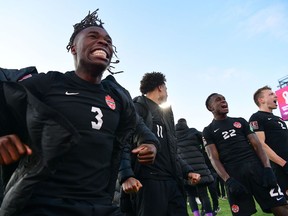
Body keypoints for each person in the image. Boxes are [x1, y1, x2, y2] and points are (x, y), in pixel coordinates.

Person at [0, 9, 159, 216]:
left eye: (108, 41)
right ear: (73, 48)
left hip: (100, 204)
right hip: (43, 204)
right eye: (93, 36)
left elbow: (139, 128)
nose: (103, 42)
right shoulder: (48, 84)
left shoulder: (118, 97)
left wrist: (150, 144)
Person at [119, 72, 201, 216]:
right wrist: (126, 175)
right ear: (160, 87)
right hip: (149, 182)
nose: (167, 93)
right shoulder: (137, 108)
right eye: (166, 88)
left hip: (173, 182)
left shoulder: (166, 115)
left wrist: (188, 171)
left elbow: (172, 152)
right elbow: (122, 141)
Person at [203, 93, 288, 216]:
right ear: (210, 107)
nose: (223, 101)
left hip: (258, 171)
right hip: (235, 176)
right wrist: (228, 180)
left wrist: (268, 169)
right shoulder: (208, 130)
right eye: (218, 100)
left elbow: (257, 145)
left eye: (224, 99)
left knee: (281, 206)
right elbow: (213, 158)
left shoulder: (240, 121)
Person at [249, 86, 288, 198]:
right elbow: (260, 144)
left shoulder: (279, 119)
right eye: (271, 94)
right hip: (279, 168)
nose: (275, 96)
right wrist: (284, 164)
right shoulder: (256, 117)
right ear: (261, 100)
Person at [175, 118, 214, 216]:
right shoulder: (192, 131)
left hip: (185, 169)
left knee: (191, 195)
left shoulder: (174, 135)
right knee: (204, 195)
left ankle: (196, 215)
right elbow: (205, 139)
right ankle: (209, 214)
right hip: (199, 168)